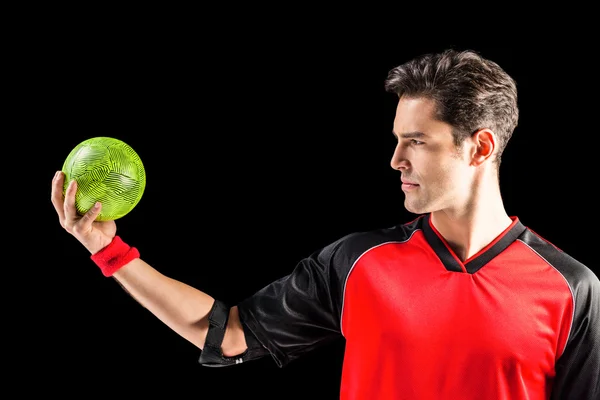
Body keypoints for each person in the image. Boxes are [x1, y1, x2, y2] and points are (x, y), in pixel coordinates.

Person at [50, 48, 599, 399]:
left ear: (480, 147)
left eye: (417, 141)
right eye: (395, 139)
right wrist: (108, 249)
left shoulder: (571, 289)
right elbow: (225, 334)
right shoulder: (357, 263)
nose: (396, 160)